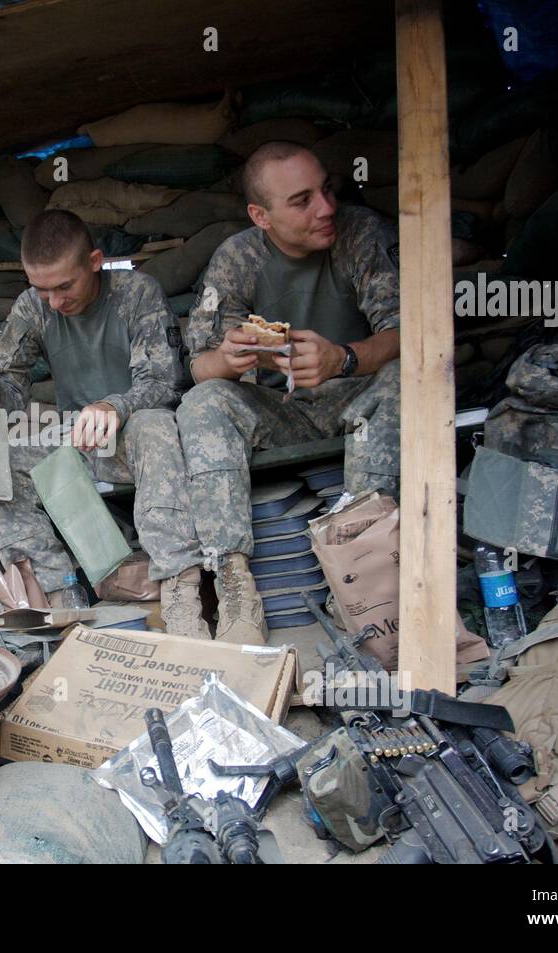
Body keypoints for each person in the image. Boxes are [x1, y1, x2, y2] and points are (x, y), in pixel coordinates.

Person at [0, 210, 210, 638]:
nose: (54, 302)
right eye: (42, 288)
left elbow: (165, 381)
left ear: (95, 261)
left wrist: (113, 406)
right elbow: (8, 402)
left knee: (153, 424)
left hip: (139, 440)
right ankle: (58, 600)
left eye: (65, 286)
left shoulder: (137, 292)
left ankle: (181, 594)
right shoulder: (34, 308)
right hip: (78, 443)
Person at [177, 141, 403, 644]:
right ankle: (235, 589)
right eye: (302, 201)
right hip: (284, 411)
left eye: (326, 190)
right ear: (261, 215)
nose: (325, 208)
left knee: (406, 379)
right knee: (204, 402)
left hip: (359, 401)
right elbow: (199, 366)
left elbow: (409, 331)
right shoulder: (237, 258)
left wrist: (342, 358)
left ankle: (361, 581)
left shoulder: (360, 232)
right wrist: (229, 360)